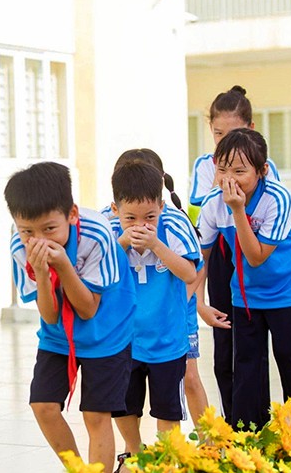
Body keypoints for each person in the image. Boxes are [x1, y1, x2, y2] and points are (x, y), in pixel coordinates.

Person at [5, 161, 135, 472]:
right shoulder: (18, 245)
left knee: (96, 414)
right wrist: (40, 270)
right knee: (43, 406)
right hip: (58, 335)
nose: (38, 239)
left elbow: (88, 308)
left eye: (49, 228)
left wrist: (63, 266)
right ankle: (79, 470)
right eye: (27, 231)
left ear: (72, 214)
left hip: (107, 331)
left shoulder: (97, 234)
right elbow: (49, 317)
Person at [197, 128, 291, 429]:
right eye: (223, 169)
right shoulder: (214, 203)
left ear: (262, 170)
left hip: (290, 291)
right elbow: (201, 257)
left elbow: (256, 256)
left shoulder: (278, 199)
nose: (230, 179)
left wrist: (237, 210)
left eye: (240, 171)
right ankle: (250, 439)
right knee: (246, 368)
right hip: (247, 294)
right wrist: (199, 302)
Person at [189, 85, 279, 424]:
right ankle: (234, 423)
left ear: (251, 129)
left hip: (255, 260)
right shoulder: (205, 166)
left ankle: (261, 422)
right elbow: (207, 213)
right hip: (224, 260)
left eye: (235, 133)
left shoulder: (264, 166)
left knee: (253, 349)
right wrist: (222, 172)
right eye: (218, 134)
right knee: (225, 349)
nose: (224, 140)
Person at [104, 149, 209, 431]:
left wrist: (156, 245)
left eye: (149, 217)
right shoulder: (106, 228)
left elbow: (190, 273)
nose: (141, 225)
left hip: (166, 338)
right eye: (130, 218)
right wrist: (123, 242)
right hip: (123, 339)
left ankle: (174, 459)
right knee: (125, 405)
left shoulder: (174, 225)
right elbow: (97, 274)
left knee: (170, 406)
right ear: (115, 208)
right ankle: (133, 455)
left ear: (161, 205)